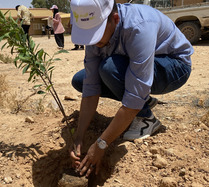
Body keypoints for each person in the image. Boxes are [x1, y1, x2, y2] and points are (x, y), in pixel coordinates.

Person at [69, 0, 193, 177]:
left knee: (109, 68)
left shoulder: (139, 26)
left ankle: (146, 119)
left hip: (173, 65)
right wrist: (79, 137)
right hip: (138, 66)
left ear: (115, 18)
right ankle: (146, 100)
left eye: (96, 34)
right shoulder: (96, 35)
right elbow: (90, 86)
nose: (93, 42)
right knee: (80, 80)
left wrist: (101, 143)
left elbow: (133, 97)